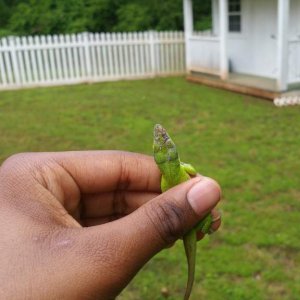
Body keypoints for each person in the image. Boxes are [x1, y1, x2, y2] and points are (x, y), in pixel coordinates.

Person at [0, 151, 221, 299]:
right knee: (206, 223)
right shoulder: (182, 169)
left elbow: (166, 192)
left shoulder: (163, 179)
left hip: (188, 219)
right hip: (195, 222)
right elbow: (190, 170)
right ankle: (207, 225)